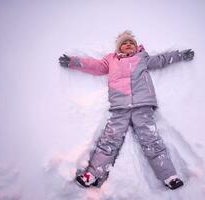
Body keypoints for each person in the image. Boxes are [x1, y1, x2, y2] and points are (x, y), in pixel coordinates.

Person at [59, 30, 194, 190]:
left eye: (131, 43)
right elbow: (94, 66)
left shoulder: (142, 58)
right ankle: (92, 175)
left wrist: (180, 55)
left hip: (142, 105)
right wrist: (74, 62)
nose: (128, 44)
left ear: (136, 47)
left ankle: (169, 176)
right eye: (125, 43)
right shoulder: (111, 60)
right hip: (119, 108)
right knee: (109, 141)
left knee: (151, 140)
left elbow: (161, 60)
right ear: (119, 48)